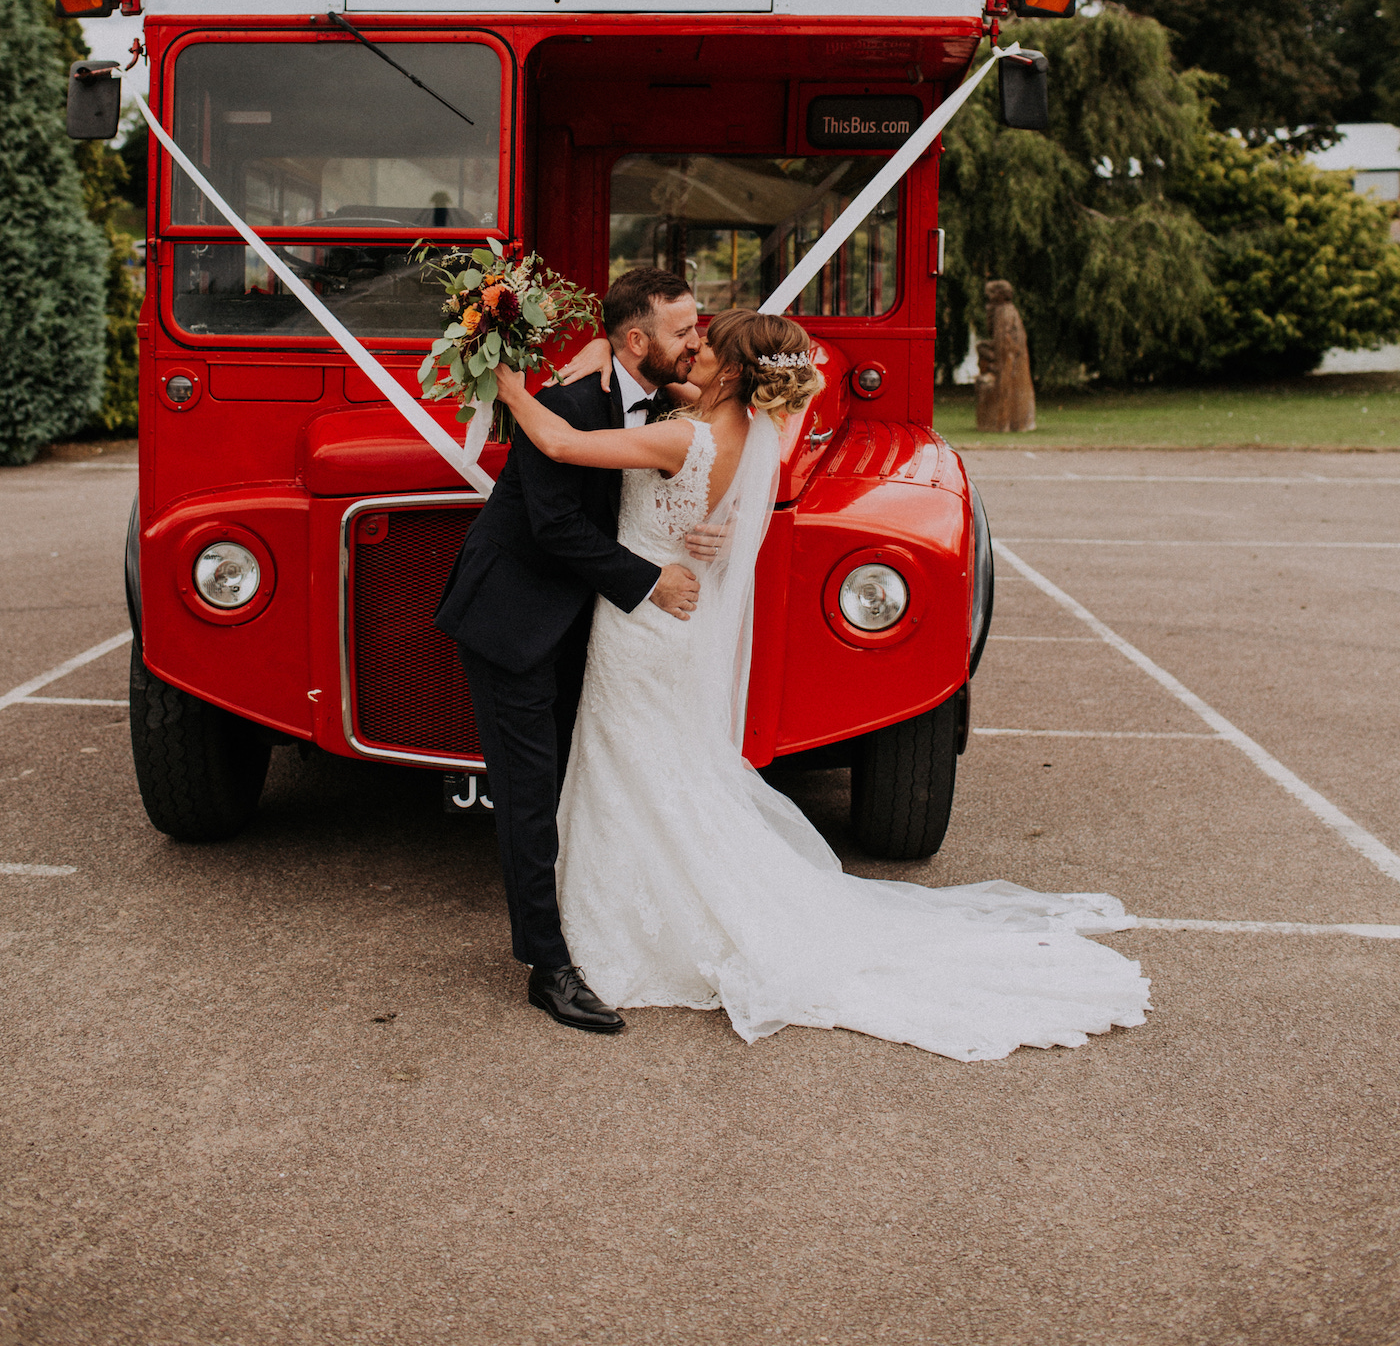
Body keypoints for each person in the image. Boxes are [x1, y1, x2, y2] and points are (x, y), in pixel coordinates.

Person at [494, 308, 1152, 1062]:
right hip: (669, 617)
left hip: (644, 625)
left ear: (735, 373)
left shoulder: (687, 434)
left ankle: (624, 920)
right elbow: (699, 423)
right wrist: (602, 351)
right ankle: (633, 902)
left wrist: (511, 385)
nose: (694, 350)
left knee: (628, 762)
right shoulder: (744, 432)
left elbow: (562, 442)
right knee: (654, 766)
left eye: (706, 346)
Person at [433, 267, 702, 1034]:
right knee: (528, 795)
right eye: (683, 332)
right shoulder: (563, 405)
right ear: (637, 340)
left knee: (575, 785)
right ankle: (547, 968)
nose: (696, 342)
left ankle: (582, 927)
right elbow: (553, 528)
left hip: (584, 626)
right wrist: (652, 583)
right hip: (513, 620)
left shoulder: (658, 395)